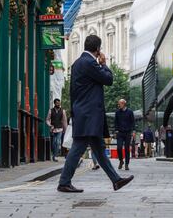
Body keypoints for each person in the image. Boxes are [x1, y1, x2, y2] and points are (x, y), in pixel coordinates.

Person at [57, 35, 134, 193]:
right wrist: (104, 65)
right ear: (98, 49)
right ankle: (64, 182)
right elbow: (109, 79)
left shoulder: (77, 63)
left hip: (83, 113)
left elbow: (73, 92)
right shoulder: (90, 63)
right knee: (78, 148)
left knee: (98, 149)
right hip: (89, 115)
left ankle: (116, 180)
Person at [114, 98, 135, 170]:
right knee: (119, 148)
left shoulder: (130, 112)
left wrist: (133, 131)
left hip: (127, 133)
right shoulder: (117, 112)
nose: (118, 105)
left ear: (123, 103)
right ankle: (121, 161)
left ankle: (126, 164)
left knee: (126, 148)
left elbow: (132, 122)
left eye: (119, 103)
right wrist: (116, 130)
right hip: (120, 133)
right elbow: (116, 122)